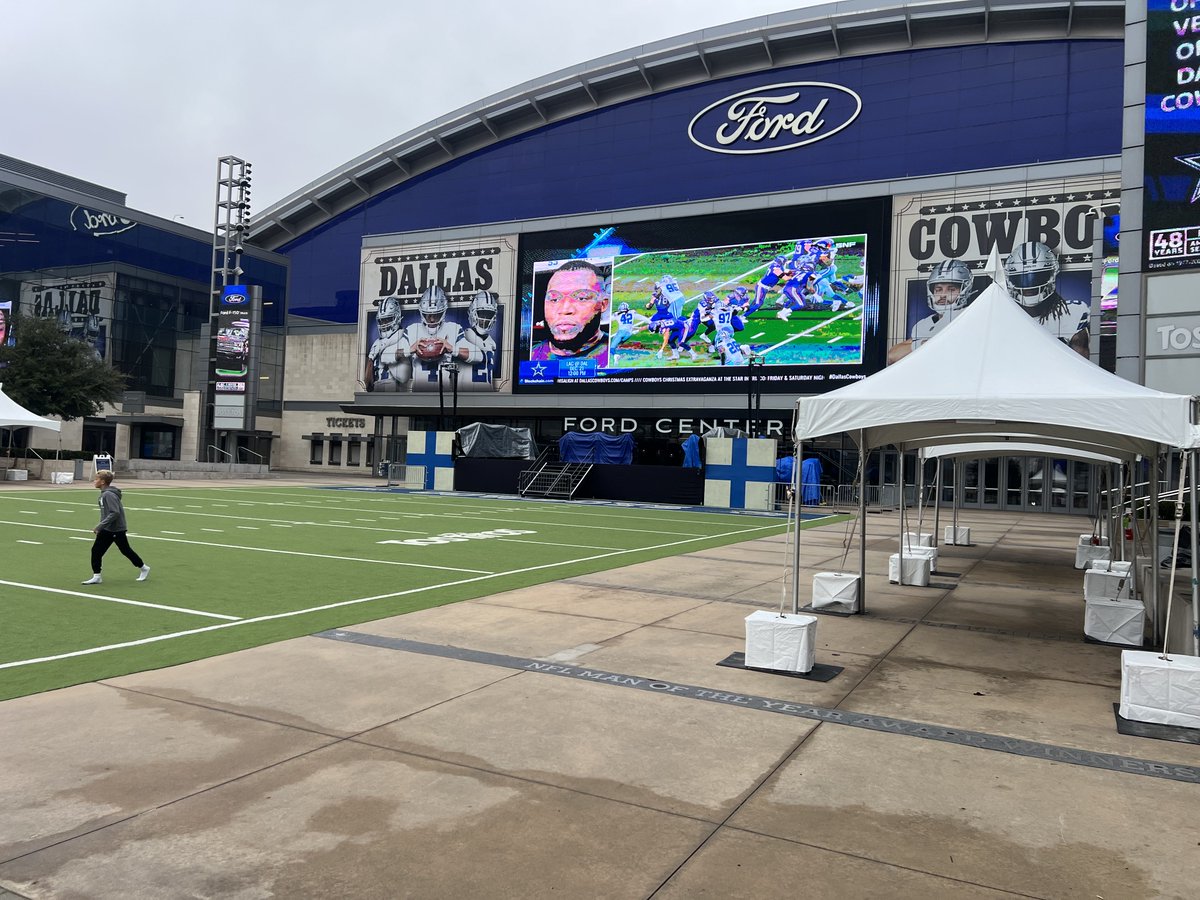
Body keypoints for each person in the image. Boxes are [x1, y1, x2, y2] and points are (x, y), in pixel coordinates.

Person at [1003, 241, 1090, 357]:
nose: (1030, 287)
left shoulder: (1072, 313)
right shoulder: (1002, 316)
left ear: (1052, 274)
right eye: (1022, 279)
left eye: (1037, 277)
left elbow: (1081, 367)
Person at [887, 258, 974, 365]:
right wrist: (925, 343)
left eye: (951, 289)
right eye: (938, 289)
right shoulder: (924, 324)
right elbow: (892, 356)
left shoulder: (970, 317)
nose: (942, 295)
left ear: (965, 290)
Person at [530, 259, 610, 364]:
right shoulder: (531, 355)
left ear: (603, 304)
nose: (565, 310)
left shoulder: (621, 353)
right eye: (554, 299)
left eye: (582, 298)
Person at [82, 471, 149, 585]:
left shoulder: (109, 494)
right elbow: (106, 513)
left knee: (125, 550)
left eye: (96, 479)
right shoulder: (104, 494)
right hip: (107, 529)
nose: (94, 481)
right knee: (96, 550)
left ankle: (143, 567)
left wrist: (100, 526)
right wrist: (102, 527)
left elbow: (114, 513)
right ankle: (97, 576)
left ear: (102, 482)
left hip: (116, 529)